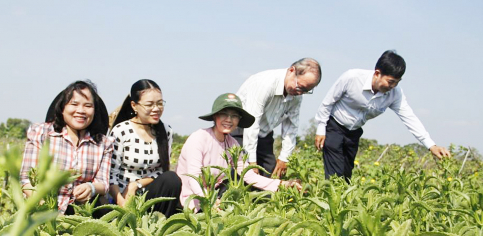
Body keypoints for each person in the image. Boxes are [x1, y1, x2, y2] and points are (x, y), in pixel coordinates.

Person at [314, 50, 451, 180]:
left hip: (353, 133)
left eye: (397, 82)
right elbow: (328, 102)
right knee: (335, 175)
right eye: (390, 81)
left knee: (346, 175)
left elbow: (410, 118)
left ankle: (340, 203)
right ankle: (331, 202)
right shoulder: (352, 77)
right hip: (334, 126)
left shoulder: (395, 93)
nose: (393, 86)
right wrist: (321, 129)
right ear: (377, 73)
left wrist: (431, 145)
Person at [176, 93, 302, 211]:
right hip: (190, 200)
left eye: (234, 116)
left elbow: (249, 175)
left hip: (214, 200)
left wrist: (282, 184)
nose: (229, 119)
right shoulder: (199, 138)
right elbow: (193, 177)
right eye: (224, 114)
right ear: (215, 116)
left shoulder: (232, 143)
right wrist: (208, 200)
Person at [20, 80, 114, 214]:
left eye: (88, 105)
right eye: (74, 104)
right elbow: (26, 180)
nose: (80, 111)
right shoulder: (42, 133)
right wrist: (45, 208)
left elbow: (103, 184)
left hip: (81, 210)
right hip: (42, 207)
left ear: (95, 110)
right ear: (63, 108)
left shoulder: (103, 143)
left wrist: (90, 187)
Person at [233, 58, 322, 178]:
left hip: (264, 134)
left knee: (268, 171)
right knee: (238, 172)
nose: (300, 93)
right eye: (300, 87)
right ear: (291, 70)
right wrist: (251, 161)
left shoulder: (296, 96)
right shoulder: (265, 84)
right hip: (240, 130)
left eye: (306, 91)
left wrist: (284, 158)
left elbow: (291, 126)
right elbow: (252, 123)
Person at [109, 79, 181, 217]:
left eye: (160, 103)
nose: (156, 109)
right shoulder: (121, 131)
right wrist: (121, 202)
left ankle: (160, 224)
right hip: (122, 195)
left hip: (147, 192)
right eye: (149, 104)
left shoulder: (166, 131)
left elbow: (161, 170)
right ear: (134, 106)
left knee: (171, 179)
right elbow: (111, 174)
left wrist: (137, 184)